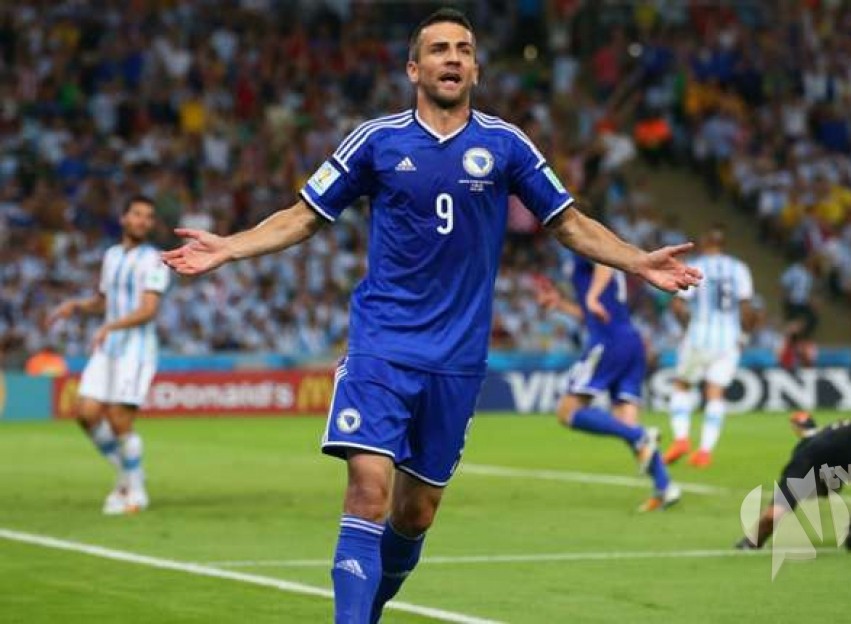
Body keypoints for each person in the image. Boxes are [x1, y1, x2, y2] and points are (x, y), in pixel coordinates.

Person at [161, 9, 701, 623]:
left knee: (415, 514)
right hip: (383, 345)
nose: (453, 58)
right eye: (440, 49)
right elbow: (305, 214)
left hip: (457, 360)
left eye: (463, 49)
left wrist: (637, 261)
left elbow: (569, 223)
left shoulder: (505, 144)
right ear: (414, 69)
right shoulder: (376, 141)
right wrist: (230, 247)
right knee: (368, 489)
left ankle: (368, 610)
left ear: (476, 69)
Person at [46, 196, 170, 514]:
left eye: (148, 216)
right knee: (85, 412)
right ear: (123, 218)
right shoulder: (112, 256)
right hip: (109, 347)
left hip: (136, 351)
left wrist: (110, 326)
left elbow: (148, 310)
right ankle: (128, 473)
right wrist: (76, 305)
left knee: (119, 419)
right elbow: (104, 300)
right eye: (137, 214)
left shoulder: (154, 261)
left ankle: (135, 493)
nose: (143, 220)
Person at [535, 255, 680, 512]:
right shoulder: (600, 247)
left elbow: (604, 264)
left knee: (567, 412)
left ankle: (640, 436)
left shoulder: (584, 243)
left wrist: (592, 297)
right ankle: (664, 486)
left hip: (608, 341)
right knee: (626, 420)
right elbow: (592, 313)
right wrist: (562, 305)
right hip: (629, 339)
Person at [737, 412, 851, 552]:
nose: (817, 496)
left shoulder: (804, 460)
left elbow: (772, 515)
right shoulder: (838, 441)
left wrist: (751, 542)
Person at [663, 225, 754, 468]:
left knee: (682, 385)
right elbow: (747, 309)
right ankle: (705, 452)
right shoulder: (739, 268)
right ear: (723, 244)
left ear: (704, 243)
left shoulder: (697, 266)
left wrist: (687, 328)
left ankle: (681, 439)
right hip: (730, 339)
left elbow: (678, 306)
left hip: (699, 336)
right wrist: (744, 337)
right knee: (715, 393)